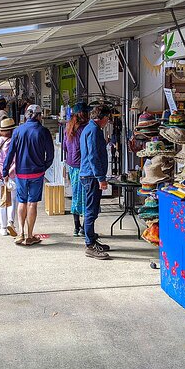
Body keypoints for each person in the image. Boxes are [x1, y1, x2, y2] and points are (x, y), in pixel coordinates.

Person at [2, 104, 54, 246]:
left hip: (21, 173)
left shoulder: (18, 131)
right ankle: (30, 236)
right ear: (38, 116)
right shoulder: (43, 131)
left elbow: (11, 152)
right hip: (37, 173)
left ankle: (20, 234)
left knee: (21, 201)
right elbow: (50, 154)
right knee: (32, 203)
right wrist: (44, 166)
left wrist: (5, 170)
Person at [79, 104, 112, 260]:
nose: (108, 122)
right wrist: (101, 178)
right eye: (107, 119)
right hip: (91, 176)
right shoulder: (93, 131)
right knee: (91, 210)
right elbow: (93, 156)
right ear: (103, 118)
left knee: (92, 208)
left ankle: (91, 239)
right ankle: (90, 245)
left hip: (89, 174)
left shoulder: (89, 128)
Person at [63, 102, 90, 237]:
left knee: (76, 196)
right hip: (84, 166)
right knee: (86, 197)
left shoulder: (68, 127)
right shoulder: (86, 128)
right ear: (83, 114)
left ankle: (76, 227)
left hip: (72, 166)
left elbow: (65, 147)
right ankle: (85, 228)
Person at [0, 118, 18, 236]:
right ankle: (11, 222)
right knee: (12, 200)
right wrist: (8, 173)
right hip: (11, 176)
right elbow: (16, 161)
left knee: (1, 201)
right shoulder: (14, 143)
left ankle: (3, 228)